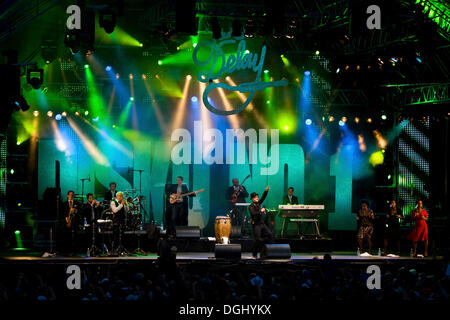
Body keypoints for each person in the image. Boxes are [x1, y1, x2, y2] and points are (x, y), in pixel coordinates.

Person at [249, 186, 273, 258]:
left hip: (262, 224)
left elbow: (263, 197)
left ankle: (268, 251)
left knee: (270, 235)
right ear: (252, 199)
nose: (257, 198)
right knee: (258, 239)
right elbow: (253, 213)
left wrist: (266, 191)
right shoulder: (251, 206)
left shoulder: (259, 203)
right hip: (256, 224)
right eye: (256, 197)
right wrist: (260, 211)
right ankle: (254, 253)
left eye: (257, 197)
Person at [60, 190, 80, 255]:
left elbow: (80, 211)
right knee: (67, 236)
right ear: (67, 195)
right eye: (70, 195)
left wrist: (75, 210)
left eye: (72, 195)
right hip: (67, 222)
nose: (71, 196)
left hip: (74, 222)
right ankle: (66, 251)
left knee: (75, 237)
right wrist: (66, 218)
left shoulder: (77, 203)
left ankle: (74, 251)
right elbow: (61, 213)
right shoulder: (64, 203)